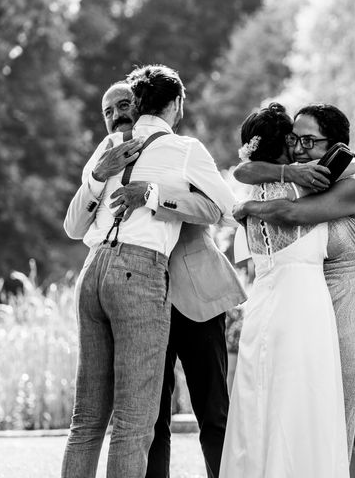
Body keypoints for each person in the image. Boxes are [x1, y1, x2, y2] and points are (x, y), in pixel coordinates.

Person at [61, 66, 244, 478]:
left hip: (107, 275)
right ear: (177, 103)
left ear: (137, 103)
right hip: (139, 279)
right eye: (107, 109)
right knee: (136, 421)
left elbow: (212, 211)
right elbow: (232, 211)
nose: (114, 116)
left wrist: (155, 195)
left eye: (121, 105)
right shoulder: (177, 149)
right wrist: (97, 176)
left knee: (89, 419)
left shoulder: (112, 145)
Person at [232, 103, 355, 478]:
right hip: (308, 314)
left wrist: (249, 205)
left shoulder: (353, 186)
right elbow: (245, 169)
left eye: (309, 140)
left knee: (341, 422)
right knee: (312, 426)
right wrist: (287, 169)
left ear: (335, 146)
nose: (299, 148)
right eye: (293, 139)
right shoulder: (309, 178)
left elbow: (295, 214)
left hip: (345, 311)